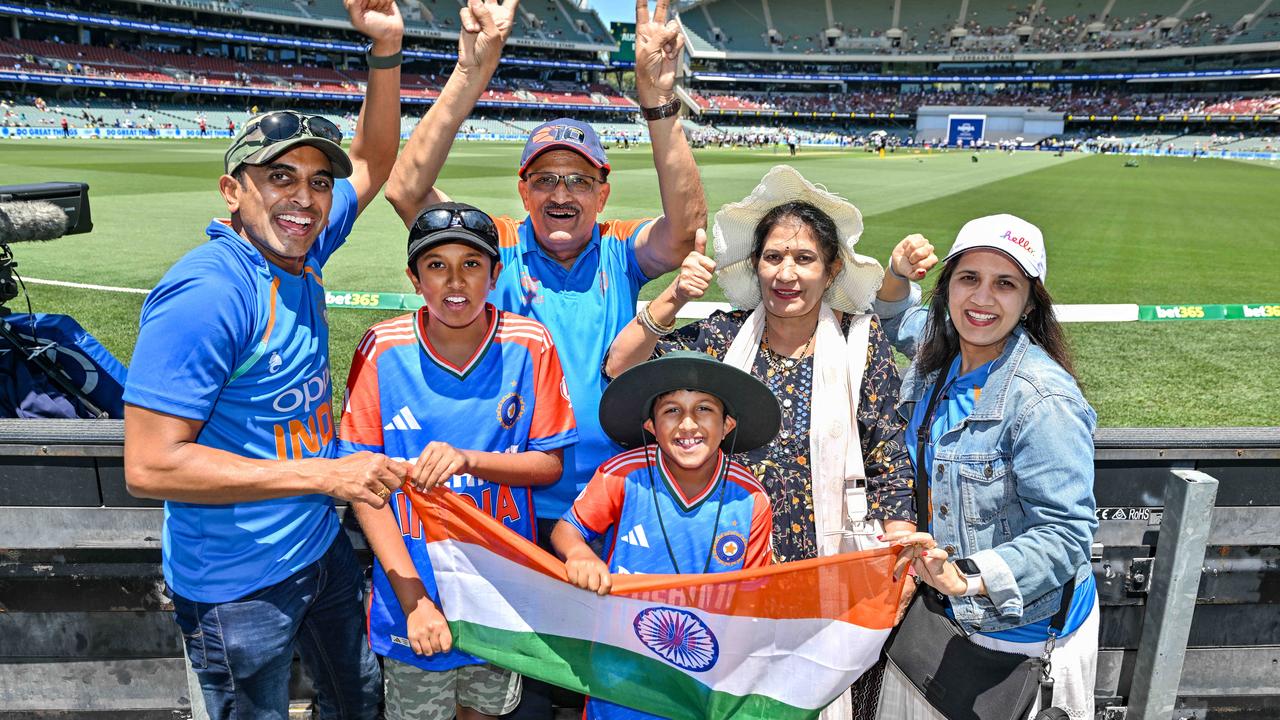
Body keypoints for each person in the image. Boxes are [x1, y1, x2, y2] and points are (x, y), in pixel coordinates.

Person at [120, 1, 407, 717]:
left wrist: (387, 49)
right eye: (279, 177)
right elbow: (149, 465)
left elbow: (373, 160)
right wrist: (326, 474)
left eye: (317, 181)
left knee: (358, 700)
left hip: (317, 549)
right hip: (236, 587)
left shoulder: (300, 242)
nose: (305, 198)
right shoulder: (208, 293)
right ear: (232, 190)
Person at [385, 0, 704, 585]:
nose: (563, 192)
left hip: (608, 501)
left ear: (603, 195)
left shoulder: (617, 249)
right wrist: (470, 71)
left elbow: (684, 233)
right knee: (517, 669)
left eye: (580, 179)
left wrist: (659, 101)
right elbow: (406, 189)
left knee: (602, 663)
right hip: (506, 497)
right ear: (523, 192)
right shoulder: (495, 246)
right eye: (546, 179)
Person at [605, 165, 916, 719]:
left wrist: (901, 547)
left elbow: (887, 456)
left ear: (831, 269)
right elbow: (620, 367)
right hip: (727, 572)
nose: (786, 274)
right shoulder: (723, 335)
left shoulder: (857, 344)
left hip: (824, 572)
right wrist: (673, 296)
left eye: (804, 259)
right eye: (773, 257)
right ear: (755, 265)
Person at [338, 202, 578, 720]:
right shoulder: (382, 348)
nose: (455, 280)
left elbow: (549, 466)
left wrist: (469, 459)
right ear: (414, 277)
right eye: (436, 265)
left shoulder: (529, 344)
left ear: (495, 274)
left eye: (471, 264)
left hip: (499, 591)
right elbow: (363, 485)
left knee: (484, 713)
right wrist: (414, 601)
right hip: (414, 591)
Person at [873, 216, 1099, 719]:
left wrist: (969, 578)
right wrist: (896, 270)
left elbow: (1066, 535)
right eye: (969, 278)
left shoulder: (1044, 400)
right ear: (948, 286)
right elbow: (892, 315)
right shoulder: (942, 349)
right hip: (946, 622)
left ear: (1029, 302)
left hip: (1021, 640)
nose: (982, 299)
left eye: (1005, 284)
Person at [551, 351, 779, 720]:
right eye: (672, 410)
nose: (687, 425)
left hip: (705, 675)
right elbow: (567, 530)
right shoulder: (621, 474)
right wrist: (579, 554)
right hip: (620, 669)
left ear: (728, 425)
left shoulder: (750, 498)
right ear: (651, 426)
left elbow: (751, 597)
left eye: (704, 409)